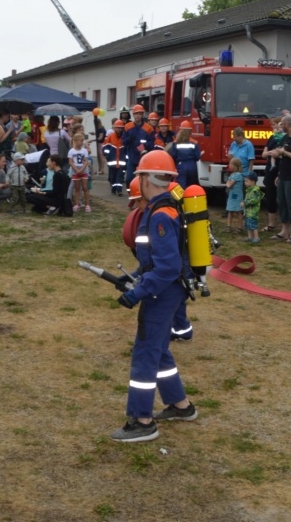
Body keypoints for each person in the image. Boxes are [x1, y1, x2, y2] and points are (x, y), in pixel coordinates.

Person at [111, 151, 197, 443]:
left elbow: (167, 268)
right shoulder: (166, 209)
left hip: (162, 293)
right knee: (159, 350)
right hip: (168, 290)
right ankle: (180, 405)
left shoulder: (160, 215)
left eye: (139, 176)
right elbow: (156, 261)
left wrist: (138, 293)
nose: (137, 181)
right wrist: (133, 276)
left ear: (147, 178)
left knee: (145, 354)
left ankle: (142, 420)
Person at [259, 116, 284, 231]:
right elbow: (263, 154)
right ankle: (271, 224)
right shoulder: (271, 138)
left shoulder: (285, 138)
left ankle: (286, 225)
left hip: (281, 170)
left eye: (274, 125)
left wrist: (278, 154)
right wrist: (270, 152)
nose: (272, 127)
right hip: (270, 170)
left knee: (283, 197)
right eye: (272, 125)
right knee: (270, 196)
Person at [122, 105, 153, 186]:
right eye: (136, 114)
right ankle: (130, 195)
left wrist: (144, 146)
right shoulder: (127, 127)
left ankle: (141, 196)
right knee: (129, 179)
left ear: (142, 115)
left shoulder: (148, 128)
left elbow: (152, 144)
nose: (138, 115)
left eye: (139, 114)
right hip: (131, 158)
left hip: (143, 158)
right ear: (133, 115)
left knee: (143, 180)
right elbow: (123, 142)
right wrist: (129, 139)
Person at [171, 121, 201, 190]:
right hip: (192, 165)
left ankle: (181, 200)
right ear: (190, 131)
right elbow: (197, 157)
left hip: (181, 165)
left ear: (180, 130)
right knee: (191, 186)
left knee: (181, 186)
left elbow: (173, 155)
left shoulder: (176, 142)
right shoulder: (194, 142)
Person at [68, 132, 92, 213]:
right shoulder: (71, 151)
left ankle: (87, 204)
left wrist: (81, 169)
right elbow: (71, 162)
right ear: (76, 141)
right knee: (77, 188)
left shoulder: (84, 151)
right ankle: (77, 203)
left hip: (83, 170)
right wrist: (76, 170)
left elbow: (86, 161)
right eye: (81, 141)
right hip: (75, 170)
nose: (82, 143)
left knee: (85, 188)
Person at [103, 119, 126, 195]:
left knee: (120, 176)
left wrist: (126, 158)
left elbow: (127, 148)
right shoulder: (110, 137)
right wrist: (108, 155)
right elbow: (104, 147)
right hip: (112, 161)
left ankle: (119, 190)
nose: (119, 129)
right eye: (117, 127)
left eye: (120, 128)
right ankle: (113, 188)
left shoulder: (124, 137)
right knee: (112, 177)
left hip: (121, 161)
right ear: (114, 128)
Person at [242, 171, 263, 243]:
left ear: (253, 182)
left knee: (253, 224)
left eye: (247, 181)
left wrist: (245, 203)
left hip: (253, 211)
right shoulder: (249, 190)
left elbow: (254, 200)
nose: (245, 182)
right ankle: (250, 237)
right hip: (248, 211)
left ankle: (256, 237)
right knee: (248, 224)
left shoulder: (255, 191)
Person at [225, 157, 244, 233]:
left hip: (237, 196)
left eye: (230, 164)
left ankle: (240, 227)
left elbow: (229, 185)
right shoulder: (232, 175)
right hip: (232, 195)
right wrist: (228, 182)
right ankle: (228, 226)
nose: (229, 165)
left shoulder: (238, 175)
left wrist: (227, 183)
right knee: (230, 210)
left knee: (238, 211)